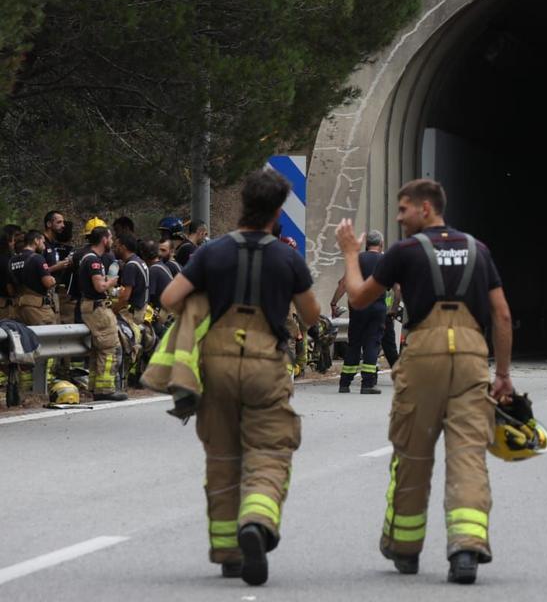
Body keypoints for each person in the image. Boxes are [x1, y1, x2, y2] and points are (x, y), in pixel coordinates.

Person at [335, 178, 513, 585]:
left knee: (413, 454)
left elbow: (360, 297)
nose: (399, 218)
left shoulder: (405, 251)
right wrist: (501, 374)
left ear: (426, 209)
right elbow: (501, 315)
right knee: (468, 452)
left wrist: (350, 253)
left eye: (403, 210)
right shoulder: (478, 250)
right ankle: (467, 547)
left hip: (423, 353)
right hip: (470, 354)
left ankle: (404, 547)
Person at [160, 168, 319, 586]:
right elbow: (313, 315)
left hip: (215, 361)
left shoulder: (212, 252)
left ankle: (229, 553)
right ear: (277, 211)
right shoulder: (287, 256)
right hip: (266, 361)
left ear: (244, 204)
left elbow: (169, 297)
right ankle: (257, 521)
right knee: (269, 449)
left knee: (222, 458)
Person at [330, 230, 389, 394]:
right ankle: (367, 384)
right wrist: (393, 307)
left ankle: (344, 383)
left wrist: (334, 302)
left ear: (366, 244)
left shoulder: (356, 259)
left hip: (358, 307)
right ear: (381, 244)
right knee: (372, 343)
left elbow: (343, 284)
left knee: (354, 343)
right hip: (377, 308)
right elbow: (397, 287)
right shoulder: (385, 260)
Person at [76, 225, 125, 401]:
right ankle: (105, 390)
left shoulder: (87, 257)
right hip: (97, 308)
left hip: (91, 307)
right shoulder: (94, 261)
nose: (111, 241)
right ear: (104, 239)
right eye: (110, 238)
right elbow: (99, 286)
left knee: (98, 349)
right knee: (109, 346)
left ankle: (96, 387)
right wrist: (110, 282)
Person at [113, 232, 152, 382]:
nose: (114, 249)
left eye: (116, 246)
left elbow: (125, 297)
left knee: (124, 344)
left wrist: (112, 311)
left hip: (132, 313)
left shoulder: (130, 266)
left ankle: (123, 379)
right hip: (142, 309)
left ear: (123, 247)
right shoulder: (140, 262)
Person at [11, 230, 58, 327]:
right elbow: (48, 283)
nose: (44, 246)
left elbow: (10, 289)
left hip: (19, 308)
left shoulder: (12, 260)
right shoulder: (37, 258)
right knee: (48, 338)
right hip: (38, 309)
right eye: (43, 242)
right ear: (36, 240)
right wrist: (53, 280)